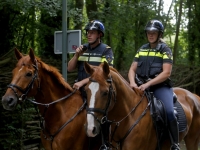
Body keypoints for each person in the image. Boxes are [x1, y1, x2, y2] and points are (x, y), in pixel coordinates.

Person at [128, 19, 180, 150]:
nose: (150, 35)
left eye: (154, 32)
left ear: (160, 34)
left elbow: (166, 73)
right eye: (149, 32)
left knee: (169, 112)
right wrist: (132, 83)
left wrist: (148, 84)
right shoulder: (142, 49)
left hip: (160, 87)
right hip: (139, 87)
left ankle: (175, 144)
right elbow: (132, 69)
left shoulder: (165, 49)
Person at [67, 20, 114, 149]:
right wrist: (76, 55)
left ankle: (105, 144)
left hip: (97, 93)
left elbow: (104, 74)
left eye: (92, 33)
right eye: (88, 32)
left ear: (100, 35)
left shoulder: (106, 50)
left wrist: (82, 82)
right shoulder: (82, 48)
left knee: (104, 115)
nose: (89, 35)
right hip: (80, 92)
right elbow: (69, 68)